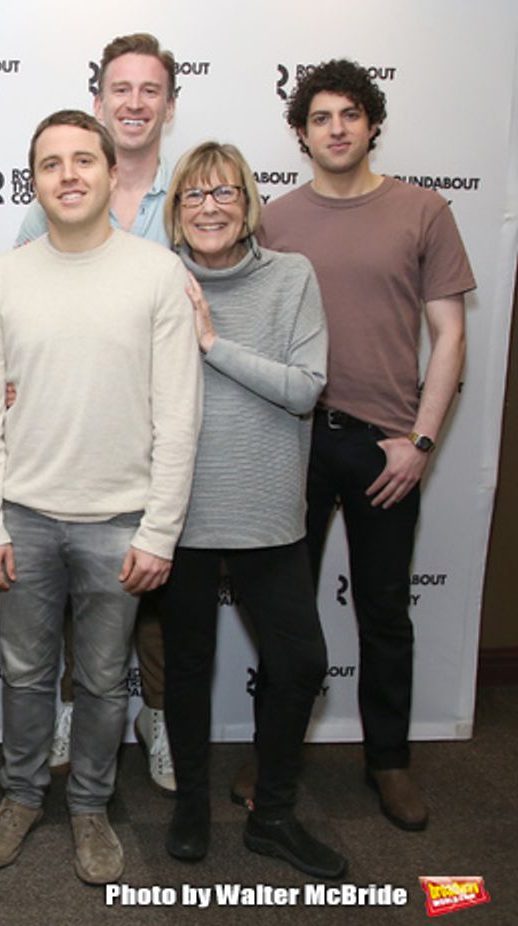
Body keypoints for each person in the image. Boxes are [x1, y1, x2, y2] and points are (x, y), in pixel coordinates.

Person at [0, 110, 201, 885]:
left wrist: (160, 532)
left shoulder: (157, 274)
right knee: (26, 675)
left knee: (102, 682)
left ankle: (92, 807)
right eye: (50, 164)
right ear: (34, 181)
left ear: (109, 174)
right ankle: (23, 796)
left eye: (82, 161)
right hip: (23, 519)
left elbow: (178, 414)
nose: (67, 175)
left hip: (121, 522)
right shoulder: (2, 278)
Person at [252, 59, 475, 832]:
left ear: (372, 122)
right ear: (301, 132)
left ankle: (389, 762)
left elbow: (449, 336)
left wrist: (421, 441)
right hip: (296, 441)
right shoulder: (273, 219)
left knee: (385, 613)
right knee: (284, 613)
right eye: (320, 117)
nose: (337, 128)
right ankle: (272, 760)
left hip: (389, 448)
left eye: (350, 113)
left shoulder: (423, 211)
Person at [158, 141, 345, 879]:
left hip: (269, 510)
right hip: (182, 513)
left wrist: (211, 343)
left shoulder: (291, 276)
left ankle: (273, 815)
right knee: (189, 670)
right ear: (176, 209)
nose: (209, 207)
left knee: (301, 662)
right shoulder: (156, 279)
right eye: (194, 196)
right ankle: (191, 809)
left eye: (224, 193)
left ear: (248, 204)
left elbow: (305, 387)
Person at [14, 33, 177, 788]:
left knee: (155, 616)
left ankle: (158, 723)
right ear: (100, 100)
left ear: (168, 104)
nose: (134, 103)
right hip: (64, 464)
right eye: (121, 89)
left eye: (149, 90)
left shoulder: (197, 190)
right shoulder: (41, 218)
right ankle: (77, 718)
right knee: (67, 629)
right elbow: (15, 335)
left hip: (150, 460)